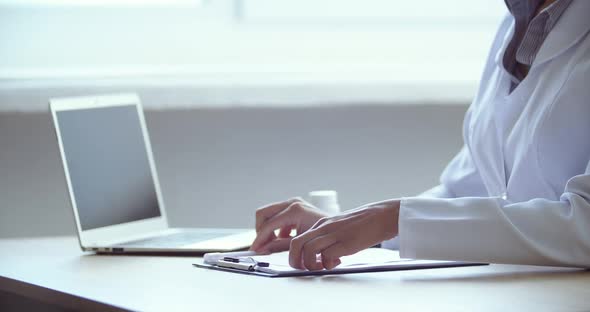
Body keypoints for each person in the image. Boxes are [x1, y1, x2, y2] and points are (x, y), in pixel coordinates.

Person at [249, 0, 590, 271]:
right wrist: (349, 228)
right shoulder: (518, 21)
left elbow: (584, 225)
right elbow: (468, 189)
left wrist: (393, 219)